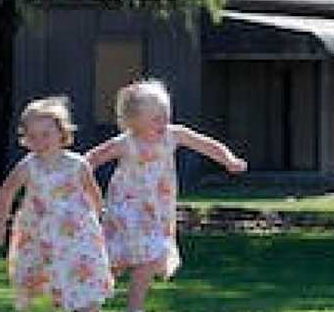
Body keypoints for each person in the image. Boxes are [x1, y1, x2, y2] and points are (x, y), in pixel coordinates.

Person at [85, 78, 248, 312]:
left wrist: (229, 159)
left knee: (150, 258)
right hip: (126, 210)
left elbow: (206, 145)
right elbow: (90, 160)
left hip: (157, 211)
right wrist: (72, 180)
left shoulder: (174, 135)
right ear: (135, 121)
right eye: (156, 118)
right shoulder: (125, 143)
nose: (164, 121)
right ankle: (90, 299)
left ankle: (134, 307)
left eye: (166, 114)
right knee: (117, 262)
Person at [0, 96, 113, 312]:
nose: (40, 142)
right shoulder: (28, 167)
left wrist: (100, 217)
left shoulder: (77, 164)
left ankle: (90, 307)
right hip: (41, 234)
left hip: (77, 232)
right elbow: (7, 193)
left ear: (62, 133)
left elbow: (93, 191)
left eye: (46, 135)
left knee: (84, 277)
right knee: (54, 279)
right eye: (32, 136)